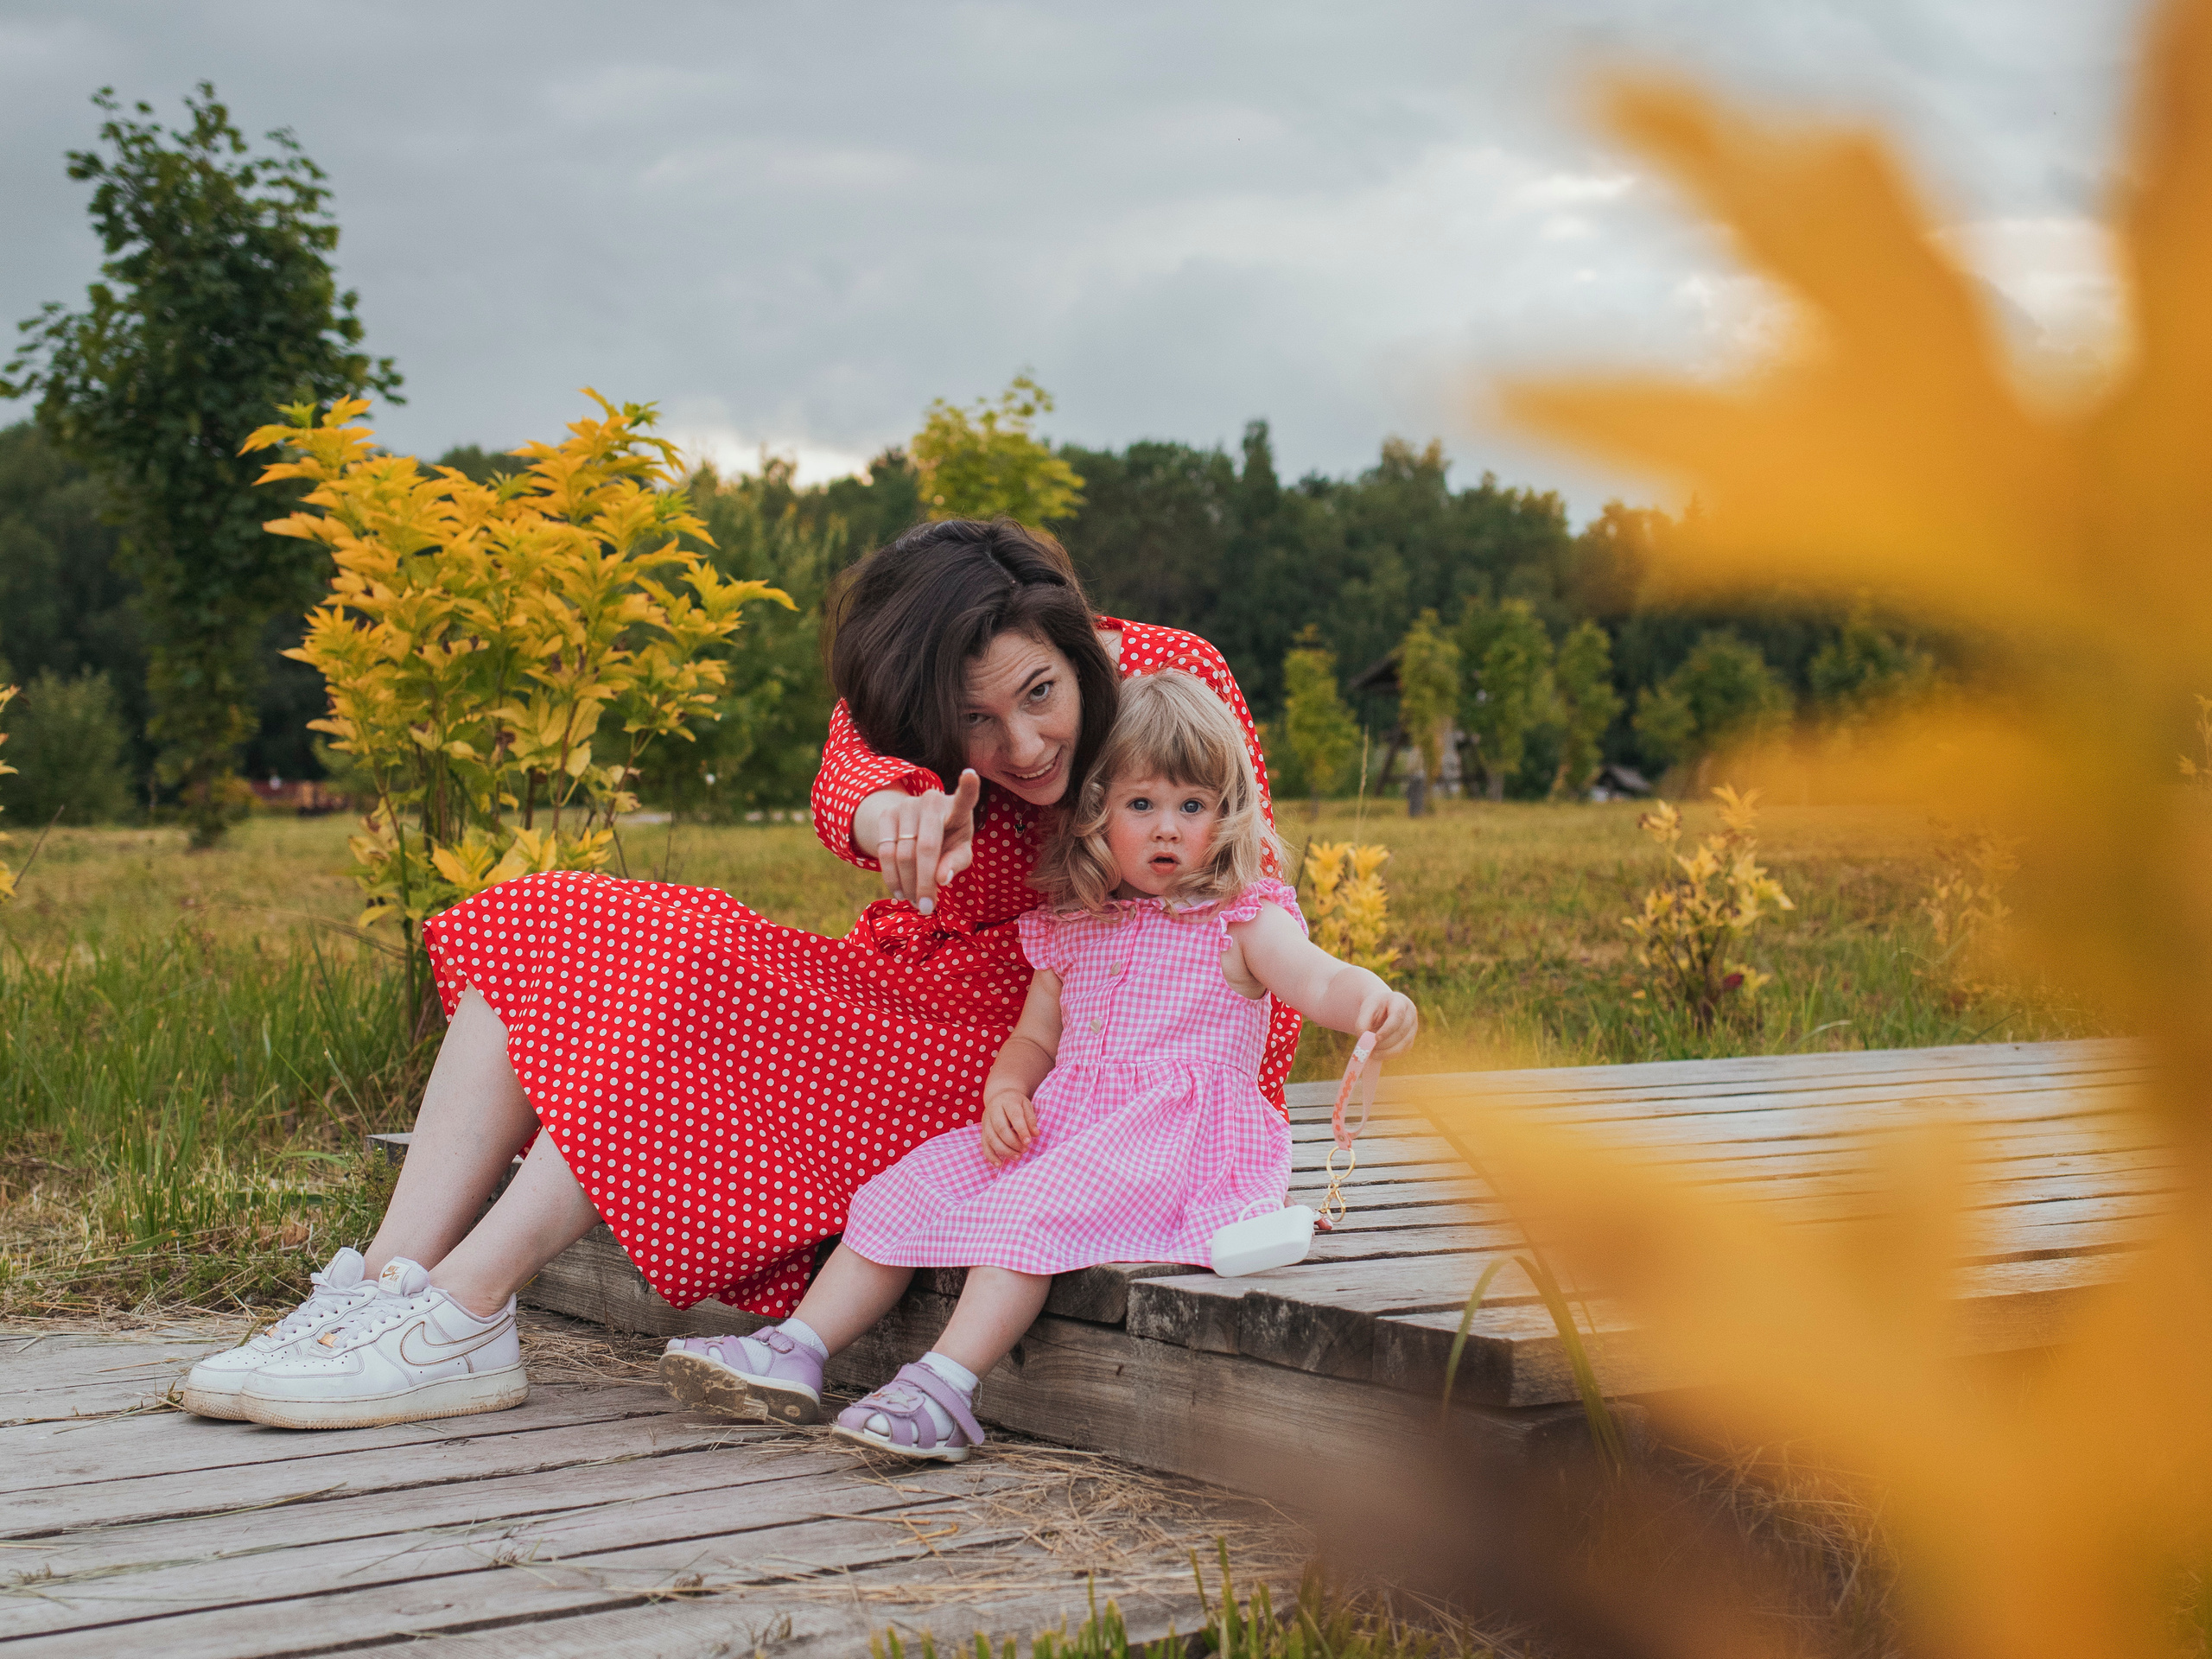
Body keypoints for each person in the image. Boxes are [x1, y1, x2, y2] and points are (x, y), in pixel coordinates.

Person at [180, 518, 1300, 1430]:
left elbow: (1258, 900)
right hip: (903, 994)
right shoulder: (921, 731)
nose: (1020, 747)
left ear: (1078, 642)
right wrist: (890, 807)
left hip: (1045, 1063)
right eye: (975, 722)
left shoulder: (1174, 677)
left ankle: (466, 1314)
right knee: (551, 918)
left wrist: (1189, 1099)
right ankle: (384, 1289)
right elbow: (845, 767)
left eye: (1041, 694)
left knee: (696, 995)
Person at [656, 671, 1419, 1460]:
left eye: (1193, 807)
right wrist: (1006, 1089)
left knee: (1027, 1215)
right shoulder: (1070, 926)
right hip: (1069, 1129)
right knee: (902, 1188)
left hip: (1177, 1147)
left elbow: (1318, 976)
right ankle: (798, 1350)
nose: (1167, 830)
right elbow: (1034, 1039)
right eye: (1141, 805)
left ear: (1227, 817)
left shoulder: (1241, 919)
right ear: (1096, 813)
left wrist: (1371, 1004)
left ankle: (945, 1385)